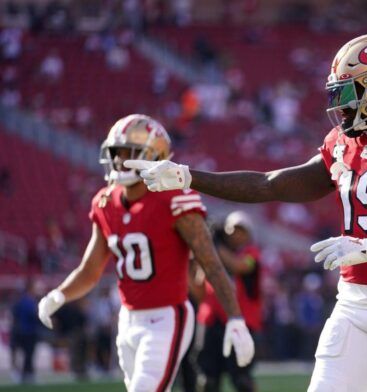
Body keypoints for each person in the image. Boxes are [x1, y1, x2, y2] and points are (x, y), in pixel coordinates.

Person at [125, 34, 367, 391]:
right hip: (353, 303)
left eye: (348, 94)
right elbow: (269, 184)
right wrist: (188, 176)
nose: (342, 107)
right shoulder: (342, 145)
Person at [36, 114, 254, 392]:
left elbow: (210, 263)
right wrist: (60, 294)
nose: (120, 161)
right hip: (127, 320)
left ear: (155, 157)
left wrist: (235, 318)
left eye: (129, 154)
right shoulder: (106, 201)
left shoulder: (173, 197)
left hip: (166, 318)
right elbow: (90, 269)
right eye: (116, 153)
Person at [195, 211, 263, 392]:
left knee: (242, 380)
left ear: (249, 235)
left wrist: (213, 247)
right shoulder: (214, 255)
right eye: (232, 229)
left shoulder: (251, 254)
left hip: (242, 322)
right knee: (207, 380)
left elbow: (239, 266)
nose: (235, 234)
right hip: (211, 321)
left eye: (241, 230)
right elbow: (199, 286)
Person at [11, 279, 42, 383]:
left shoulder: (21, 300)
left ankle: (25, 373)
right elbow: (34, 315)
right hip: (28, 331)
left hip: (23, 330)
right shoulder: (28, 301)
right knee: (28, 354)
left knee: (26, 354)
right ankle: (27, 374)